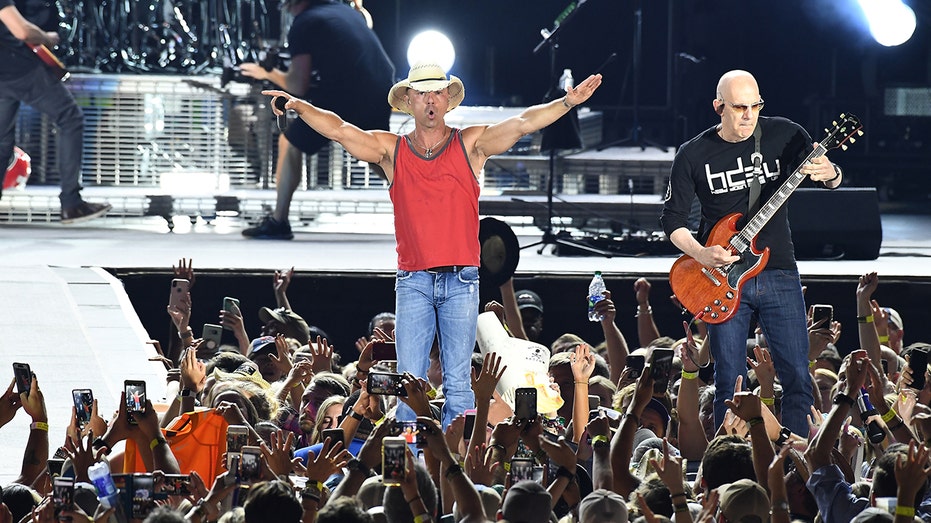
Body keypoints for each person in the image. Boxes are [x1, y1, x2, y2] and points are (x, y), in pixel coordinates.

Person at [261, 61, 602, 426]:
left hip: (461, 281)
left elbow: (521, 125)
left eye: (437, 91)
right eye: (422, 92)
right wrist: (299, 105)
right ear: (408, 99)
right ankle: (409, 466)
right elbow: (341, 130)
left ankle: (452, 464)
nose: (430, 100)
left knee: (458, 383)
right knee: (411, 382)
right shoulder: (391, 150)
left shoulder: (470, 144)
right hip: (414, 281)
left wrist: (566, 103)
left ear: (447, 99)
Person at [660, 69, 843, 437]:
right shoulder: (694, 154)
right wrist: (701, 253)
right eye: (739, 107)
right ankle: (733, 461)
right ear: (718, 107)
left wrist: (831, 171)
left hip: (777, 268)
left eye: (754, 106)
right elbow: (672, 221)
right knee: (729, 383)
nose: (747, 115)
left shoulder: (786, 134)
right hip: (722, 276)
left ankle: (795, 462)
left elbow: (831, 180)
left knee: (796, 376)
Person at [240, 0, 394, 240]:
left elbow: (296, 85)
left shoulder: (304, 23)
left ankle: (278, 221)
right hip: (381, 84)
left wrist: (266, 73)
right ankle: (430, 197)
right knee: (377, 155)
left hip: (348, 92)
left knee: (289, 143)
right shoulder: (341, 10)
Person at [0, 0, 111, 222]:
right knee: (70, 118)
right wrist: (46, 38)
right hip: (19, 69)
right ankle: (72, 204)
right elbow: (21, 30)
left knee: (2, 141)